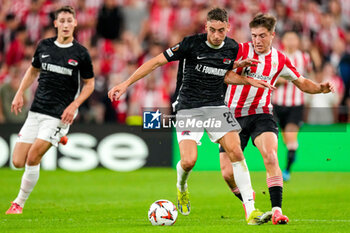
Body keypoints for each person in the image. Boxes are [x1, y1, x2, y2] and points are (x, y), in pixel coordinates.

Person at [108, 8, 274, 225]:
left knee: (235, 150)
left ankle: (251, 212)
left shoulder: (233, 47)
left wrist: (246, 78)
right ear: (206, 27)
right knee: (188, 161)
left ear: (228, 28)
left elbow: (223, 73)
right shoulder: (190, 44)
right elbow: (156, 61)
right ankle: (182, 186)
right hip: (188, 107)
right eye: (212, 30)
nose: (216, 35)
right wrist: (125, 84)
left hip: (216, 106)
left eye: (221, 31)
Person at [219, 13, 334, 225]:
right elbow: (222, 75)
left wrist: (319, 89)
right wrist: (247, 80)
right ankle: (249, 202)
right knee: (227, 173)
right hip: (232, 115)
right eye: (254, 35)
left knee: (271, 156)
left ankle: (277, 211)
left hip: (261, 113)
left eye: (262, 36)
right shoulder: (240, 50)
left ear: (273, 35)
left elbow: (300, 81)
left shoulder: (279, 59)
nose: (257, 41)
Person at [6, 6, 95, 214]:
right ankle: (57, 139)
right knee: (18, 161)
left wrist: (74, 106)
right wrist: (20, 93)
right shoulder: (44, 46)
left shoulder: (81, 53)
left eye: (69, 21)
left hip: (58, 115)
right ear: (55, 24)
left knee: (33, 157)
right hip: (36, 110)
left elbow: (89, 84)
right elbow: (33, 70)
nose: (65, 24)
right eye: (61, 21)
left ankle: (18, 203)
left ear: (75, 23)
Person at [272, 31, 313, 181]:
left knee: (290, 135)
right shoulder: (276, 56)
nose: (290, 41)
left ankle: (287, 170)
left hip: (296, 104)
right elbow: (268, 77)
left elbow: (310, 76)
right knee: (284, 140)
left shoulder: (304, 58)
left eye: (293, 38)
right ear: (283, 40)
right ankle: (292, 153)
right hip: (277, 104)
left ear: (298, 41)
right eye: (288, 38)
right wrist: (280, 80)